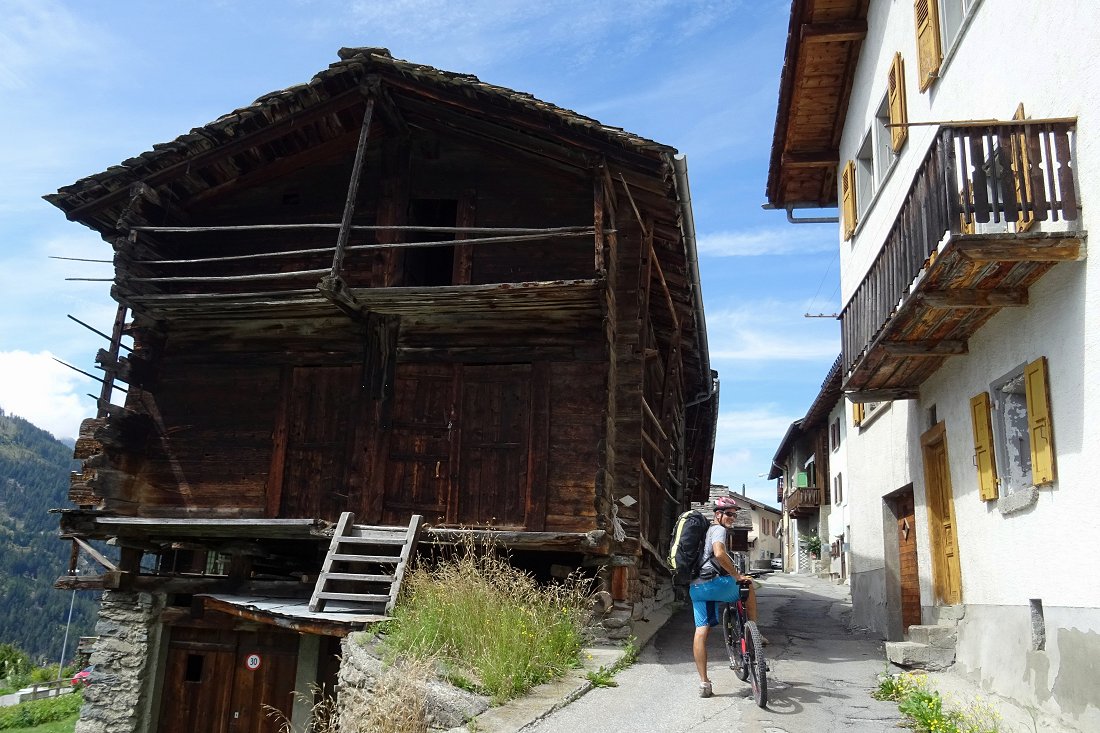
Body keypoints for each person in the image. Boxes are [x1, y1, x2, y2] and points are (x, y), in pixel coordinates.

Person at [689, 496, 758, 698]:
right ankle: (754, 633)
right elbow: (719, 553)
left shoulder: (704, 533)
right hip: (713, 584)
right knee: (748, 585)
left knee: (701, 631)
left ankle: (704, 683)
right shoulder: (718, 529)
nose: (732, 518)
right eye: (728, 514)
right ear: (717, 515)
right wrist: (737, 576)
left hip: (696, 587)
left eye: (734, 515)